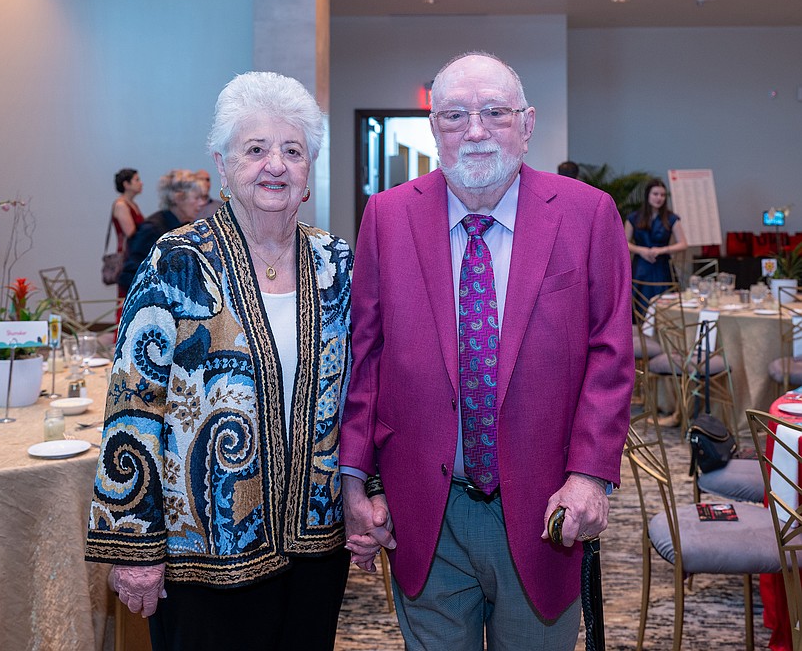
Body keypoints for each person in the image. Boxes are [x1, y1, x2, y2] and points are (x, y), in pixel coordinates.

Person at [340, 52, 634, 650]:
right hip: (424, 507)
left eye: (493, 113)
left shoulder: (587, 214)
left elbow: (610, 353)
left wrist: (590, 475)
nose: (474, 130)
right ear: (434, 130)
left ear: (527, 125)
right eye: (454, 116)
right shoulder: (387, 217)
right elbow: (365, 357)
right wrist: (353, 479)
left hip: (545, 507)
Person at [85, 71, 356, 651]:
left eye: (292, 150)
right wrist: (132, 541)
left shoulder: (337, 263)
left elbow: (363, 391)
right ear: (223, 164)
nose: (275, 165)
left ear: (310, 169)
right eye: (255, 150)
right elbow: (133, 400)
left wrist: (369, 493)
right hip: (202, 554)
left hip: (315, 542)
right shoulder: (176, 259)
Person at [116, 169, 203, 291]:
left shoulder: (184, 227)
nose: (201, 204)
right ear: (178, 198)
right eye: (197, 198)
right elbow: (131, 276)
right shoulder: (153, 229)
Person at [625, 178, 688, 311]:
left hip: (662, 266)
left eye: (663, 195)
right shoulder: (633, 217)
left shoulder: (671, 218)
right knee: (640, 307)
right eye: (655, 194)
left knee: (665, 308)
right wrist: (641, 250)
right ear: (648, 195)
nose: (659, 198)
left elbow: (683, 244)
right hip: (641, 268)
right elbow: (624, 243)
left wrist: (662, 250)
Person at [111, 168, 145, 299]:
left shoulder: (132, 204)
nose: (141, 183)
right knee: (127, 294)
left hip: (134, 254)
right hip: (127, 255)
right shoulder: (121, 205)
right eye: (137, 180)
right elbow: (131, 233)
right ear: (126, 184)